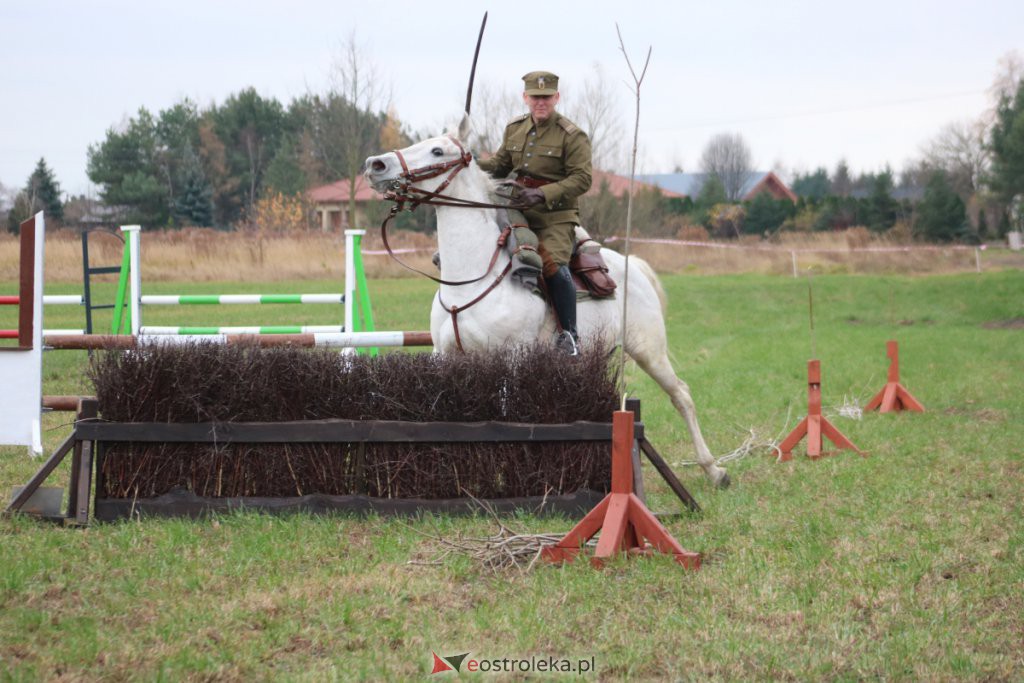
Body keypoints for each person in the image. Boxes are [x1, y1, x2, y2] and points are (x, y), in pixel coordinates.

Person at [476, 70, 592, 356]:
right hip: (518, 211)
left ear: (557, 97)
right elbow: (501, 165)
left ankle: (569, 337)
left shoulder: (572, 135)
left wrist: (542, 193)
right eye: (535, 97)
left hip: (555, 216)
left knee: (554, 267)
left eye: (547, 97)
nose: (541, 102)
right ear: (525, 97)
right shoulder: (515, 127)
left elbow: (582, 179)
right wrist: (470, 162)